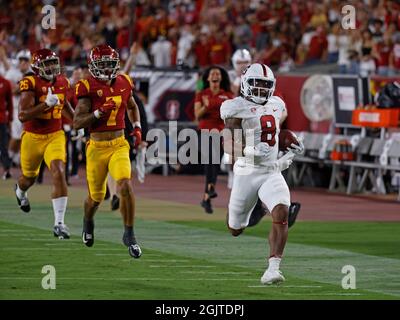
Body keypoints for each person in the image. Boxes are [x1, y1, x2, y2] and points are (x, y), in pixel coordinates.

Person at [220, 63, 304, 285]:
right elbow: (228, 146)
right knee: (235, 228)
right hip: (247, 171)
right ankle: (248, 215)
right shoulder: (234, 107)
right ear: (246, 84)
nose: (260, 90)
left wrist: (290, 143)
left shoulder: (277, 104)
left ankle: (273, 268)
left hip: (270, 171)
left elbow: (274, 130)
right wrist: (250, 151)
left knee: (282, 210)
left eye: (265, 85)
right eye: (256, 84)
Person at [73, 44, 142, 259]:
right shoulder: (87, 86)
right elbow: (77, 122)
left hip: (119, 144)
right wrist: (97, 113)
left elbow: (131, 105)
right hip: (97, 147)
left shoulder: (125, 81)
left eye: (109, 65)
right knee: (96, 197)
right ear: (93, 66)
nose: (106, 69)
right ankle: (88, 221)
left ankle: (129, 233)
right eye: (101, 65)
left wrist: (137, 126)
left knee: (125, 184)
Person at [14, 49, 75, 239]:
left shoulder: (63, 82)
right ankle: (20, 192)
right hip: (32, 137)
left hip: (54, 135)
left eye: (53, 62)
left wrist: (78, 124)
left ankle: (59, 223)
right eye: (47, 64)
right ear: (37, 67)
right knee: (28, 179)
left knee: (58, 171)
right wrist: (45, 105)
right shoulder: (30, 82)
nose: (51, 67)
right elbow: (22, 115)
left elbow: (64, 105)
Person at [194, 66, 234, 214]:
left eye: (218, 73)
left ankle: (207, 197)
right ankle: (209, 191)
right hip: (204, 131)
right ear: (208, 78)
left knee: (214, 161)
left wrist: (211, 104)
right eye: (212, 73)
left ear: (221, 78)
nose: (215, 75)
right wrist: (207, 105)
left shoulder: (228, 95)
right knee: (212, 159)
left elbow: (232, 115)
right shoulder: (201, 94)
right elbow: (197, 115)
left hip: (221, 132)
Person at [5, 50, 32, 168]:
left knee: (25, 135)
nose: (23, 63)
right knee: (16, 135)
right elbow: (11, 91)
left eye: (25, 60)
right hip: (16, 107)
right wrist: (23, 85)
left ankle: (15, 158)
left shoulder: (33, 73)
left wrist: (21, 86)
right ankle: (8, 158)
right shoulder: (11, 73)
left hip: (29, 109)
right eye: (21, 60)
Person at [0, 74, 13, 179]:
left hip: (1, 119)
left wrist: (11, 118)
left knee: (4, 146)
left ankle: (6, 170)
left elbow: (10, 102)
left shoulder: (5, 82)